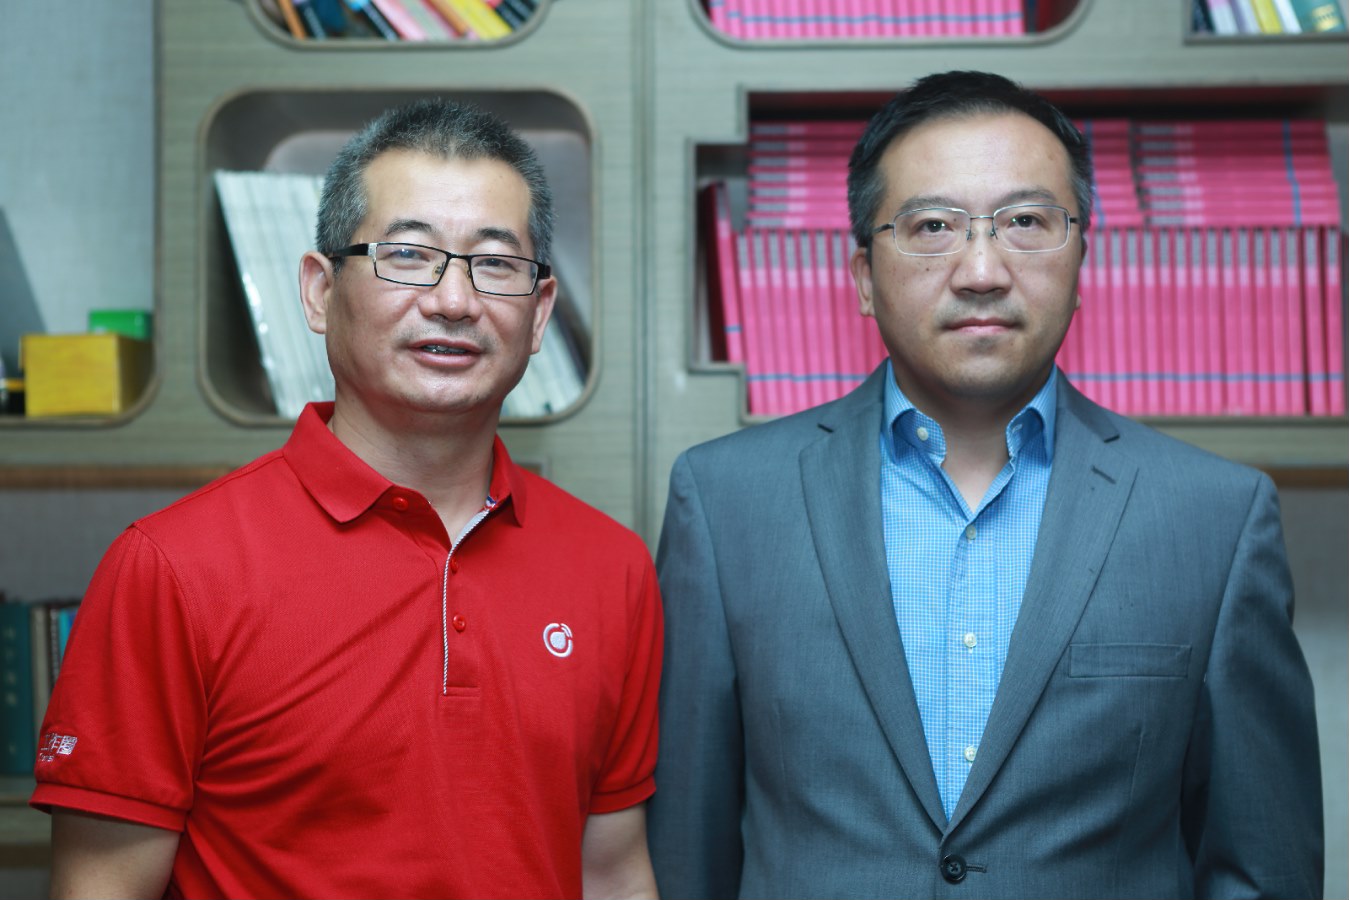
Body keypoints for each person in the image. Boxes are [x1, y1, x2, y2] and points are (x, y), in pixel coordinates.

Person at [647, 70, 1322, 899]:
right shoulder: (725, 503)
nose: (980, 270)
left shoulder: (1214, 518)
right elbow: (685, 855)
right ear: (862, 277)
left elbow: (1261, 868)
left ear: (1081, 260)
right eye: (932, 226)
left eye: (1025, 222)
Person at [34, 98, 662, 900]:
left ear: (538, 315)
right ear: (319, 292)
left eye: (495, 264)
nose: (453, 300)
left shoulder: (611, 567)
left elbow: (610, 870)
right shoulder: (171, 569)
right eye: (407, 255)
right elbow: (101, 886)